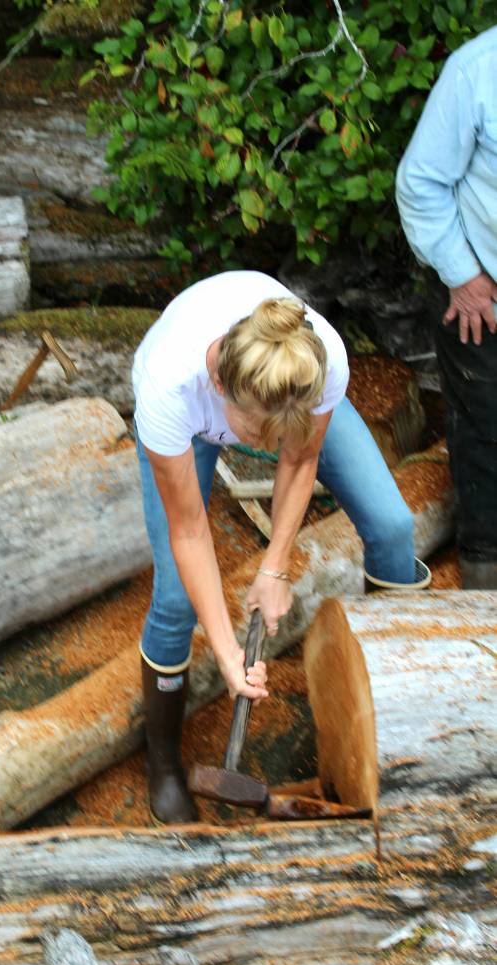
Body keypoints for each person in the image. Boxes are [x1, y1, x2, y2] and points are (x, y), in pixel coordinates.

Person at [132, 270, 431, 824]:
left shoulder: (316, 362)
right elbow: (190, 530)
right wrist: (225, 651)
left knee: (392, 526)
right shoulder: (168, 387)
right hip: (193, 426)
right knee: (175, 600)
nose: (266, 447)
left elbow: (297, 457)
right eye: (256, 435)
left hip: (281, 392)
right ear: (221, 389)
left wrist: (274, 569)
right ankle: (164, 762)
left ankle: (397, 696)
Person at [396, 25, 497, 589]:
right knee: (487, 421)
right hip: (480, 287)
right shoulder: (477, 69)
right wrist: (464, 278)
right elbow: (421, 182)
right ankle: (486, 567)